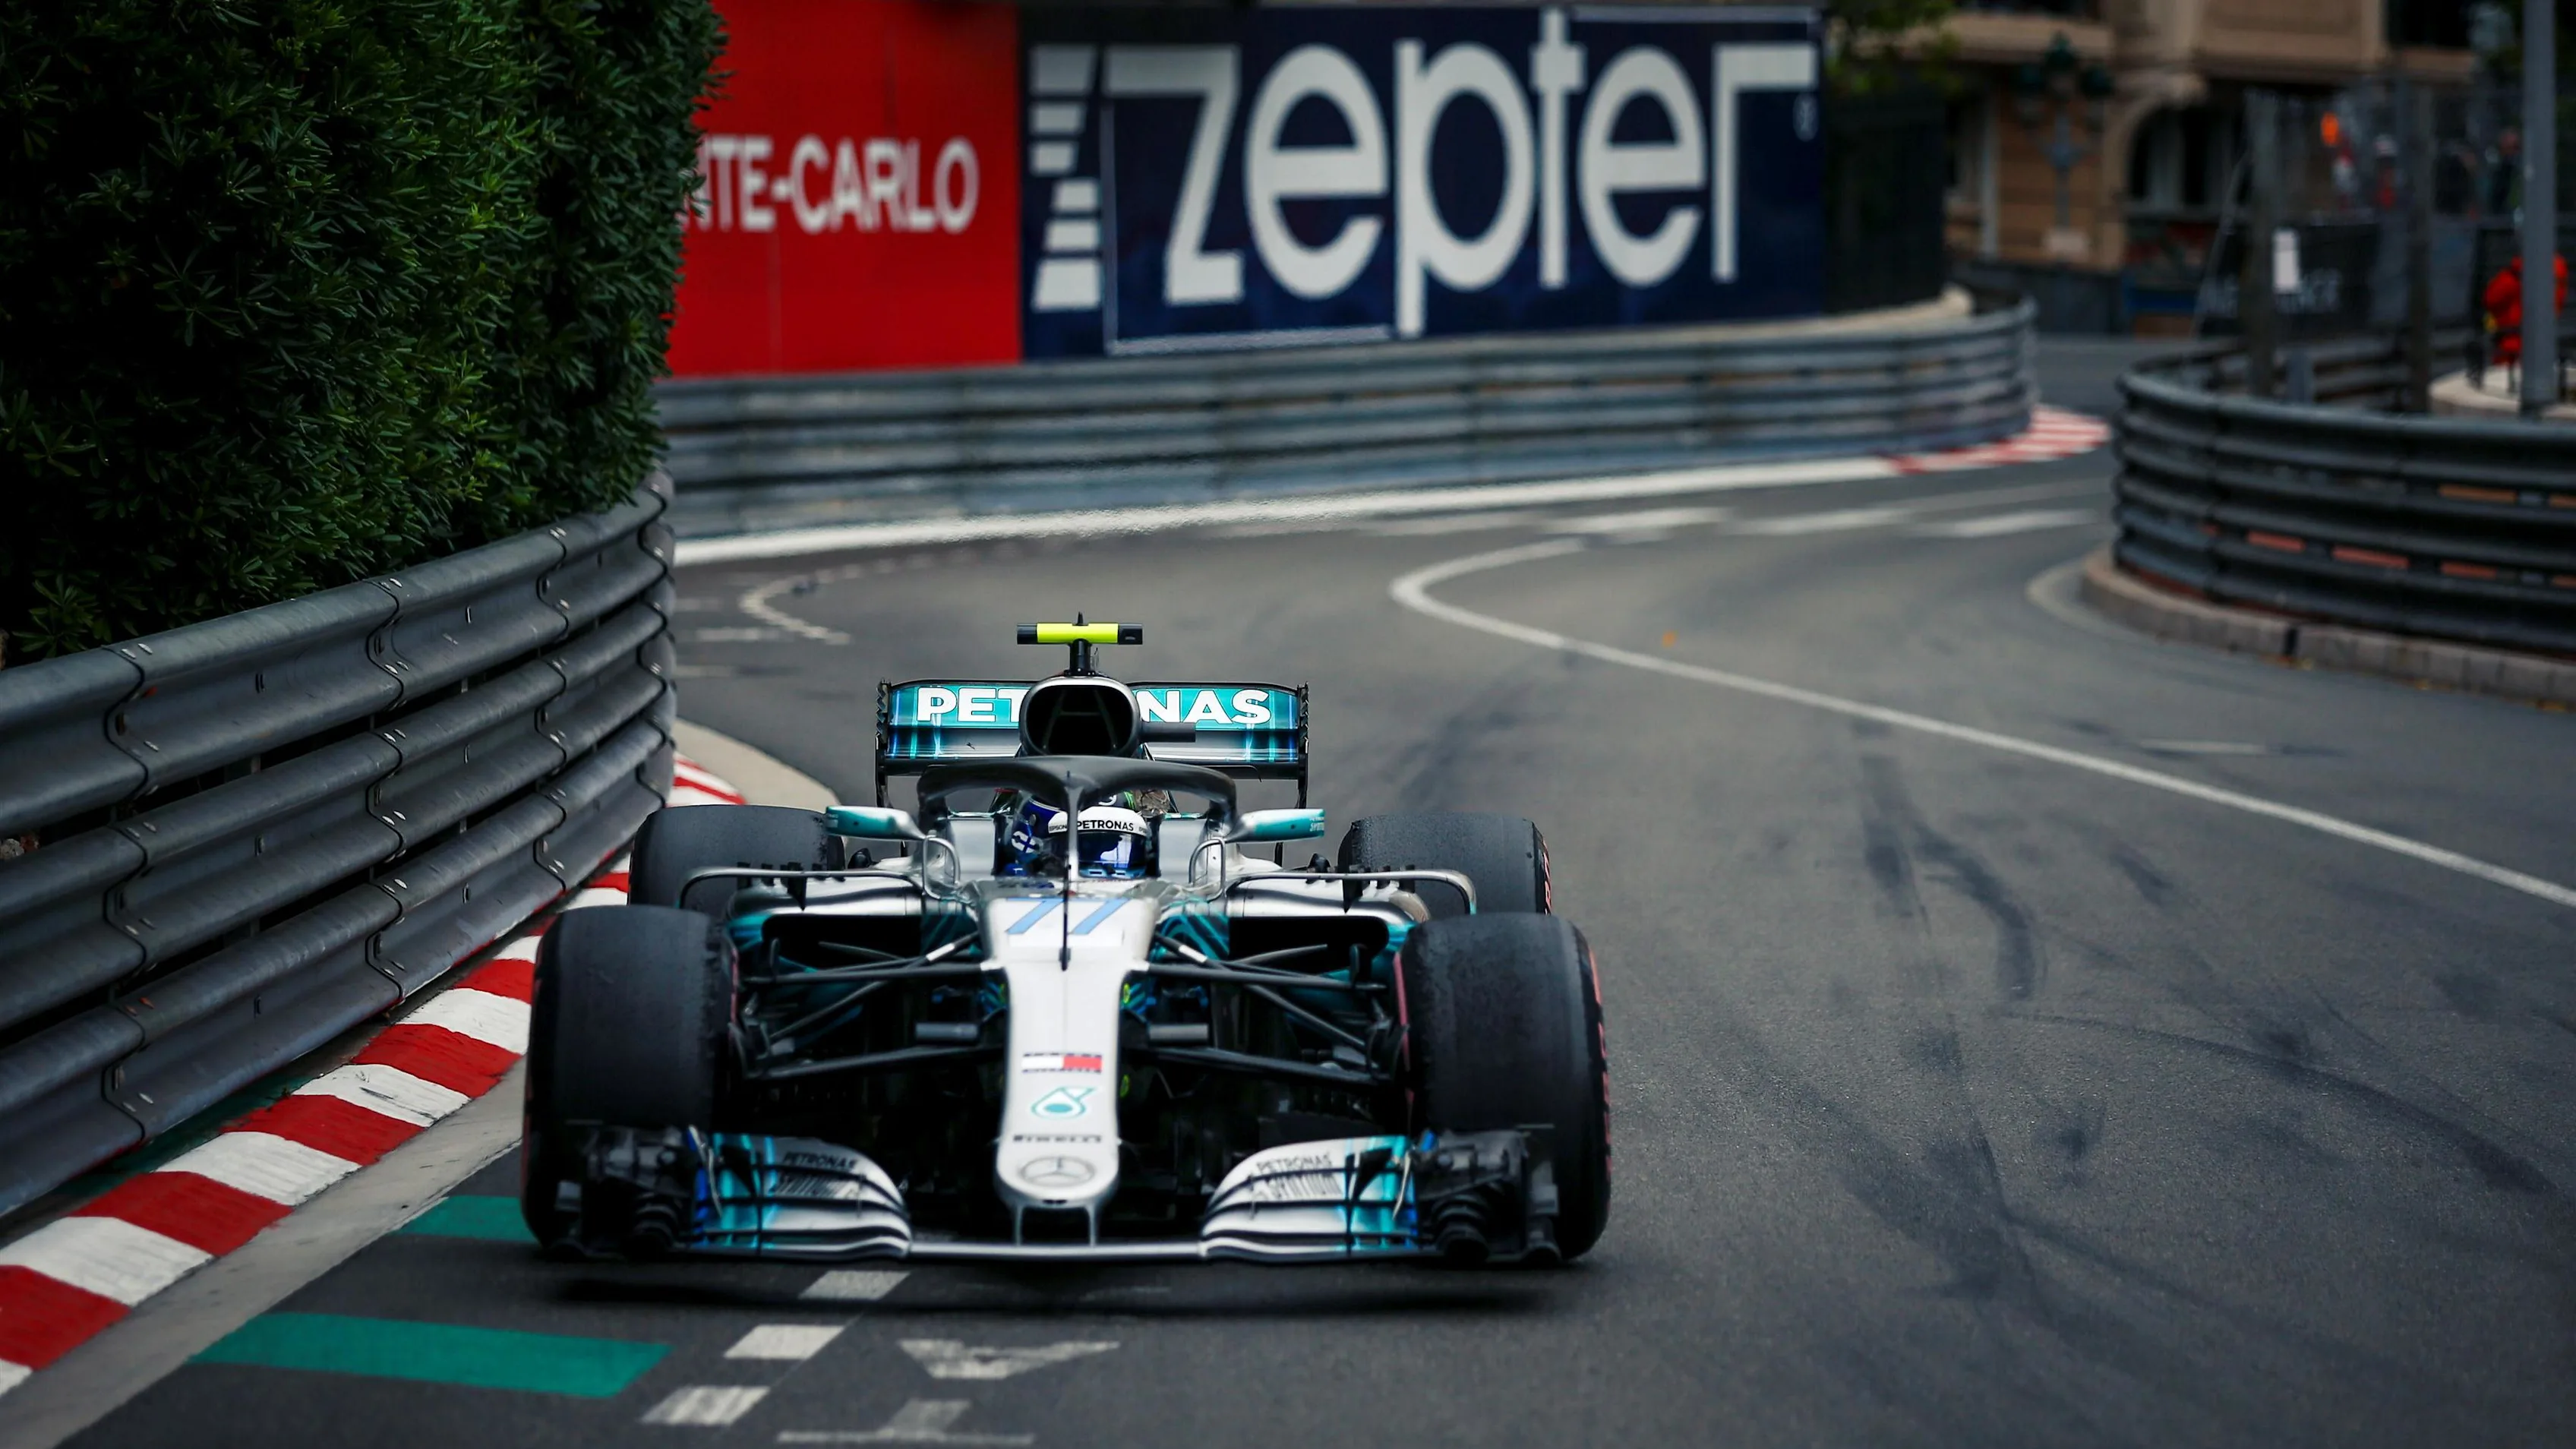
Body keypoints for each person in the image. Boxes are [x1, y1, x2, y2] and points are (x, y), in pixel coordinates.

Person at [2483, 253, 2568, 364]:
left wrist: (2516, 267)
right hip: (2543, 343)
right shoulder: (2557, 267)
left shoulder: (2516, 274)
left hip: (2513, 345)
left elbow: (2490, 299)